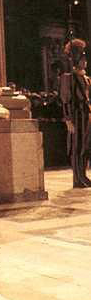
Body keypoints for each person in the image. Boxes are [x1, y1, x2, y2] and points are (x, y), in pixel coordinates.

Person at [59, 38, 91, 188]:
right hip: (76, 116)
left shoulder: (87, 79)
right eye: (82, 60)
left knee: (86, 146)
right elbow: (65, 100)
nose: (85, 62)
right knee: (77, 147)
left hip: (86, 115)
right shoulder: (68, 78)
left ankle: (83, 175)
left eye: (85, 60)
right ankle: (77, 178)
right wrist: (68, 120)